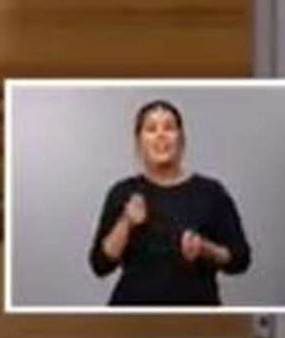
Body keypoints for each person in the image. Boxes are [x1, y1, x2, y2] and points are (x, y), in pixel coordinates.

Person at [88, 100, 252, 306]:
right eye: (151, 129)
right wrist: (126, 222)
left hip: (196, 317)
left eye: (169, 127)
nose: (160, 135)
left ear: (181, 140)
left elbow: (240, 260)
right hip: (133, 316)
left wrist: (205, 248)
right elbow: (100, 265)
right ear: (139, 143)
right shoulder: (123, 192)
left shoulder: (210, 192)